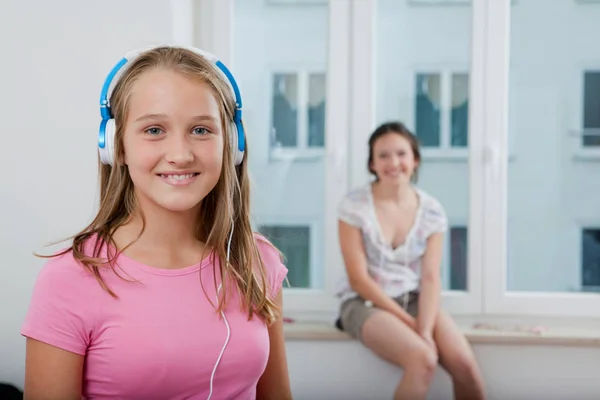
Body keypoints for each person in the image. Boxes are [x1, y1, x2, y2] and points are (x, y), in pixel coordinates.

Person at [21, 45, 292, 400]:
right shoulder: (70, 278)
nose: (180, 154)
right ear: (116, 147)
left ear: (233, 144)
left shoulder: (255, 260)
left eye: (200, 130)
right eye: (153, 130)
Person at [335, 122, 486, 400]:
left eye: (401, 154)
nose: (393, 162)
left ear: (415, 160)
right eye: (383, 155)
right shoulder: (353, 206)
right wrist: (409, 323)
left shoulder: (431, 211)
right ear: (372, 164)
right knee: (423, 359)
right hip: (363, 302)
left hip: (415, 299)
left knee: (465, 366)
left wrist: (425, 329)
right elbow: (358, 279)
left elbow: (430, 278)